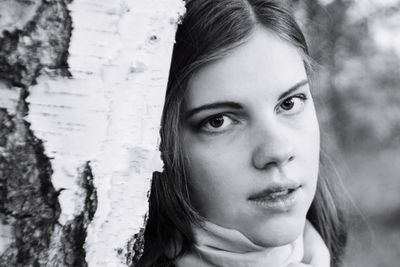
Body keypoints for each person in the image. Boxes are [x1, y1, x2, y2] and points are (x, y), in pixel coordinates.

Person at [138, 0, 347, 266]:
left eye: (289, 103)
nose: (277, 152)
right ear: (162, 147)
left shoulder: (320, 254)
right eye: (218, 121)